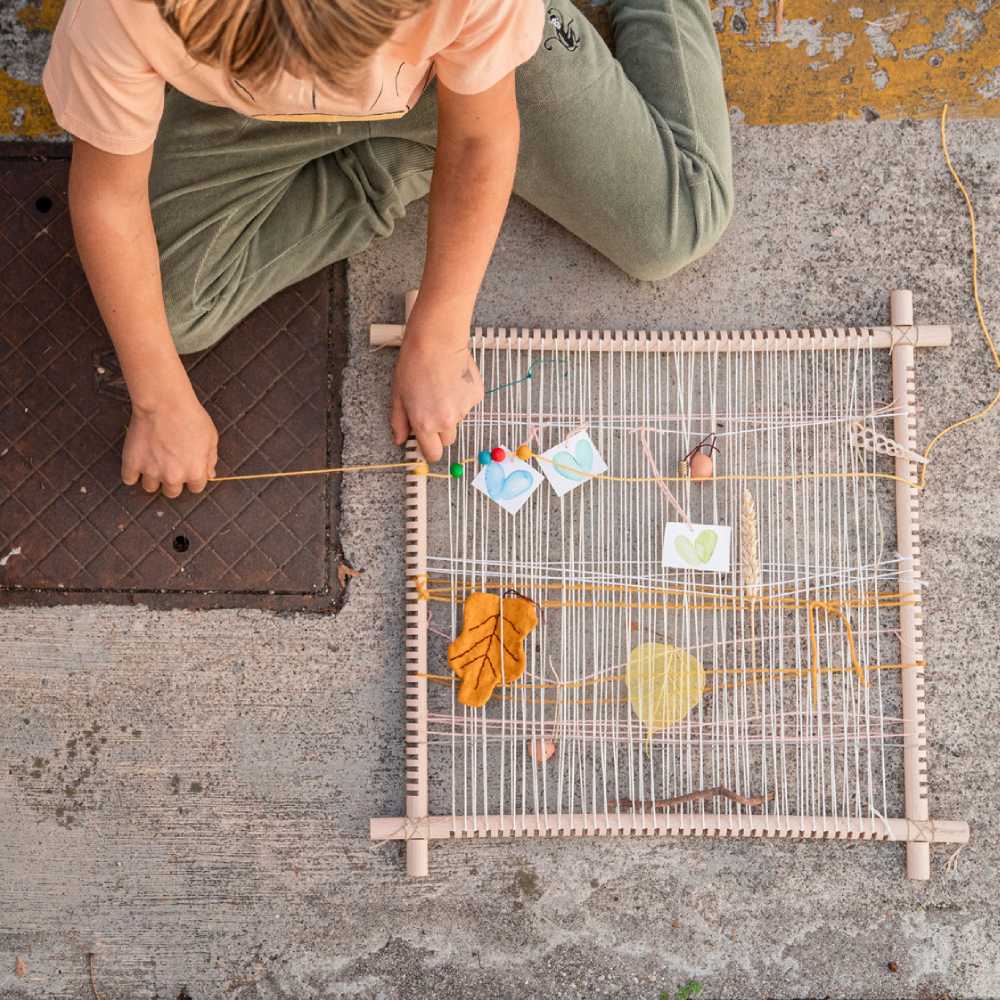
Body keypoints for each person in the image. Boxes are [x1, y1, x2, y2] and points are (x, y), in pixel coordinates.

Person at [43, 0, 733, 497]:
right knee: (168, 312)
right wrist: (158, 401)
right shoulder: (120, 12)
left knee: (674, 224)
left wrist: (441, 326)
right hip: (242, 100)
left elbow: (480, 138)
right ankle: (401, 157)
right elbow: (108, 195)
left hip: (437, 67)